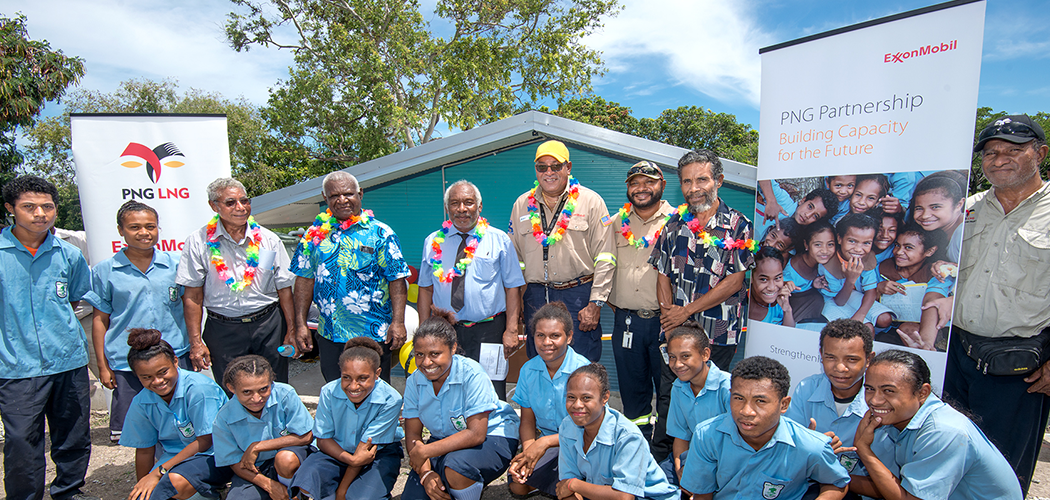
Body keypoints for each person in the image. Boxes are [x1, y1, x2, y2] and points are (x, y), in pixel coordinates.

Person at [935, 115, 1050, 496]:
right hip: (954, 355)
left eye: (1013, 150)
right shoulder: (964, 209)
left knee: (1002, 467)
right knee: (948, 453)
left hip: (1017, 365)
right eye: (991, 152)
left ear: (1041, 154)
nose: (999, 159)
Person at [650, 149, 755, 465]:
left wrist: (686, 311)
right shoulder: (673, 223)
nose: (694, 188)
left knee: (712, 401)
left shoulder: (739, 225)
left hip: (718, 333)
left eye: (702, 179)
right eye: (686, 181)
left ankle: (708, 463)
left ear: (718, 181)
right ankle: (662, 463)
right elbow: (662, 273)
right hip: (676, 334)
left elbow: (734, 282)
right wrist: (670, 314)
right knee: (670, 398)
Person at [0, 175, 97, 500]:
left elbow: (72, 299)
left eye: (47, 206)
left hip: (68, 361)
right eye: (29, 207)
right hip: (16, 367)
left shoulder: (68, 255)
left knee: (73, 436)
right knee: (21, 441)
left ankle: (69, 490)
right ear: (11, 209)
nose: (40, 213)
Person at [851, 350, 1022, 500]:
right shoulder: (898, 420)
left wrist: (864, 450)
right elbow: (890, 485)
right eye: (870, 389)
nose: (874, 400)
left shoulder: (943, 432)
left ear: (922, 393)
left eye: (889, 391)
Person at [290, 171, 410, 383]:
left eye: (348, 194)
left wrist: (398, 322)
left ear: (360, 194)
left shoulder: (381, 233)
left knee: (375, 395)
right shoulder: (313, 236)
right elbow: (304, 281)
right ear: (325, 198)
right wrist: (300, 324)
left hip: (372, 334)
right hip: (330, 334)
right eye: (334, 195)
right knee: (336, 392)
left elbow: (397, 280)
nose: (342, 200)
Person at [86, 200, 191, 443]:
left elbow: (190, 307)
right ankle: (147, 476)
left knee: (181, 420)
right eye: (134, 227)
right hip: (127, 361)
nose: (144, 233)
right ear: (120, 230)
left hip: (174, 352)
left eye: (150, 226)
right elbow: (100, 319)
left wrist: (196, 344)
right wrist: (103, 365)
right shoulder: (105, 270)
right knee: (141, 430)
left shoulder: (176, 266)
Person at [176, 177, 296, 387]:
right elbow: (192, 295)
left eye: (245, 201)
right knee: (231, 389)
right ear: (214, 206)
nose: (240, 207)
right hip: (223, 329)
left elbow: (284, 288)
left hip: (268, 326)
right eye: (231, 202)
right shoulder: (198, 241)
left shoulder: (268, 240)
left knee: (275, 386)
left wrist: (291, 330)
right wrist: (196, 342)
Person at [680, 356, 850, 500]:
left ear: (784, 405)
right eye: (738, 398)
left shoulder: (811, 446)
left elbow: (837, 483)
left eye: (760, 401)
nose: (746, 411)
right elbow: (702, 495)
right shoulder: (707, 435)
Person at [508, 140, 615, 362]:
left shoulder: (591, 201)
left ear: (568, 167)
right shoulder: (521, 204)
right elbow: (514, 260)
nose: (549, 172)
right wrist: (518, 300)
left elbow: (606, 256)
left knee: (581, 365)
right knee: (539, 362)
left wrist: (595, 303)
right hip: (535, 296)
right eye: (542, 166)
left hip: (578, 296)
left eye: (556, 166)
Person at [418, 180, 525, 400]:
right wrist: (423, 331)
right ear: (447, 208)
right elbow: (425, 289)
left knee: (492, 387)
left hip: (490, 329)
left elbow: (513, 287)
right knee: (449, 387)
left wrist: (511, 330)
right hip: (445, 330)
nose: (462, 209)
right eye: (455, 203)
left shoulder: (499, 240)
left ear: (479, 206)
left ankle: (493, 432)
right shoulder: (432, 242)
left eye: (468, 202)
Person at [401, 309, 520, 500]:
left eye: (435, 354)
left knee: (456, 468)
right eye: (419, 354)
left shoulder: (471, 373)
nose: (426, 362)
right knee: (414, 497)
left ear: (453, 348)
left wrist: (426, 452)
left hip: (492, 436)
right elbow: (413, 434)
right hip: (445, 441)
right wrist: (426, 473)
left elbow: (476, 434)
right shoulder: (415, 381)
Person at [119, 328, 232, 500]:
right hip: (175, 459)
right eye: (146, 377)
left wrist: (160, 471)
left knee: (173, 485)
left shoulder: (199, 389)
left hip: (214, 455)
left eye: (162, 372)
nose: (157, 381)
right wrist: (142, 485)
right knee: (148, 495)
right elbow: (144, 450)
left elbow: (205, 441)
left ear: (175, 361)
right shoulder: (141, 402)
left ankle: (212, 492)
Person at [608, 160, 676, 439]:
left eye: (649, 182)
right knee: (631, 389)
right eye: (635, 183)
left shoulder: (678, 220)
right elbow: (604, 266)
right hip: (626, 322)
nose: (641, 188)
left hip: (666, 323)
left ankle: (665, 445)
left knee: (669, 389)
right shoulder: (615, 222)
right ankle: (637, 442)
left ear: (662, 184)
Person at [290, 338, 404, 500]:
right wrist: (350, 459)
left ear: (377, 374)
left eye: (362, 378)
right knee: (307, 480)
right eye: (346, 377)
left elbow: (365, 450)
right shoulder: (329, 392)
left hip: (376, 454)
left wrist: (342, 492)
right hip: (335, 451)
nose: (353, 386)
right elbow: (323, 439)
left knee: (359, 497)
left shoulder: (390, 399)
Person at [784, 319, 890, 481]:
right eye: (831, 357)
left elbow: (887, 477)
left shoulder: (883, 403)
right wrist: (809, 451)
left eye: (852, 359)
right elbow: (787, 450)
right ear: (821, 355)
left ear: (869, 359)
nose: (840, 368)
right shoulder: (806, 388)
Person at [557, 363, 679, 500]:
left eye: (586, 398)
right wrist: (571, 486)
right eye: (571, 397)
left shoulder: (627, 436)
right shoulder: (567, 427)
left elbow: (624, 497)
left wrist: (574, 485)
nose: (577, 405)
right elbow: (565, 486)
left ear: (605, 398)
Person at [507, 302, 591, 497]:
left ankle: (572, 484)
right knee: (517, 483)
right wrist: (529, 453)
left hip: (582, 445)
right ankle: (550, 482)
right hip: (550, 445)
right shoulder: (528, 370)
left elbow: (587, 428)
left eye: (555, 336)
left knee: (569, 491)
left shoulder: (583, 371)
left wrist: (543, 443)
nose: (546, 342)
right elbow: (527, 420)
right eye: (540, 335)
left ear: (569, 337)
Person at [212, 355, 314, 500]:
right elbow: (234, 462)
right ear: (231, 388)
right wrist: (269, 485)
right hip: (256, 470)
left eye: (263, 389)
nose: (257, 398)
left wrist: (258, 446)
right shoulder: (224, 418)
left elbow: (306, 435)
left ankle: (296, 494)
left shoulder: (285, 394)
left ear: (271, 383)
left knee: (285, 460)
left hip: (292, 459)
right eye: (247, 392)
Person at [662, 321, 730, 489]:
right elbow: (681, 437)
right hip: (691, 458)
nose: (677, 364)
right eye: (672, 357)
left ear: (705, 354)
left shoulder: (728, 388)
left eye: (685, 356)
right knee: (652, 485)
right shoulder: (678, 387)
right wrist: (681, 471)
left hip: (724, 462)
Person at [874, 223, 950, 350]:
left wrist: (926, 342)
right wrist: (878, 289)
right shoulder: (882, 268)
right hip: (886, 327)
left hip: (922, 328)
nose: (898, 252)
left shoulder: (935, 274)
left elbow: (931, 303)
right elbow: (864, 296)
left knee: (909, 329)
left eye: (908, 248)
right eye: (897, 245)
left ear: (929, 251)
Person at [816, 213, 894, 331]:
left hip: (853, 295)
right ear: (839, 239)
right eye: (852, 241)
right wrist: (850, 280)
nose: (858, 249)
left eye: (866, 243)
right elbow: (840, 301)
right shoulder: (828, 263)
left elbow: (870, 291)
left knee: (885, 319)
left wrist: (860, 315)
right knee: (866, 329)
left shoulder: (867, 258)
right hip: (831, 300)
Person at [784, 220, 836, 325]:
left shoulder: (822, 265)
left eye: (830, 244)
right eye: (818, 245)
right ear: (806, 245)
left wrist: (813, 284)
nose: (825, 250)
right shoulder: (790, 271)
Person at [749, 247, 796, 327]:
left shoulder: (780, 303)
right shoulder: (742, 303)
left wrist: (787, 310)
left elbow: (789, 333)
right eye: (764, 279)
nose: (772, 288)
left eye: (777, 278)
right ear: (751, 277)